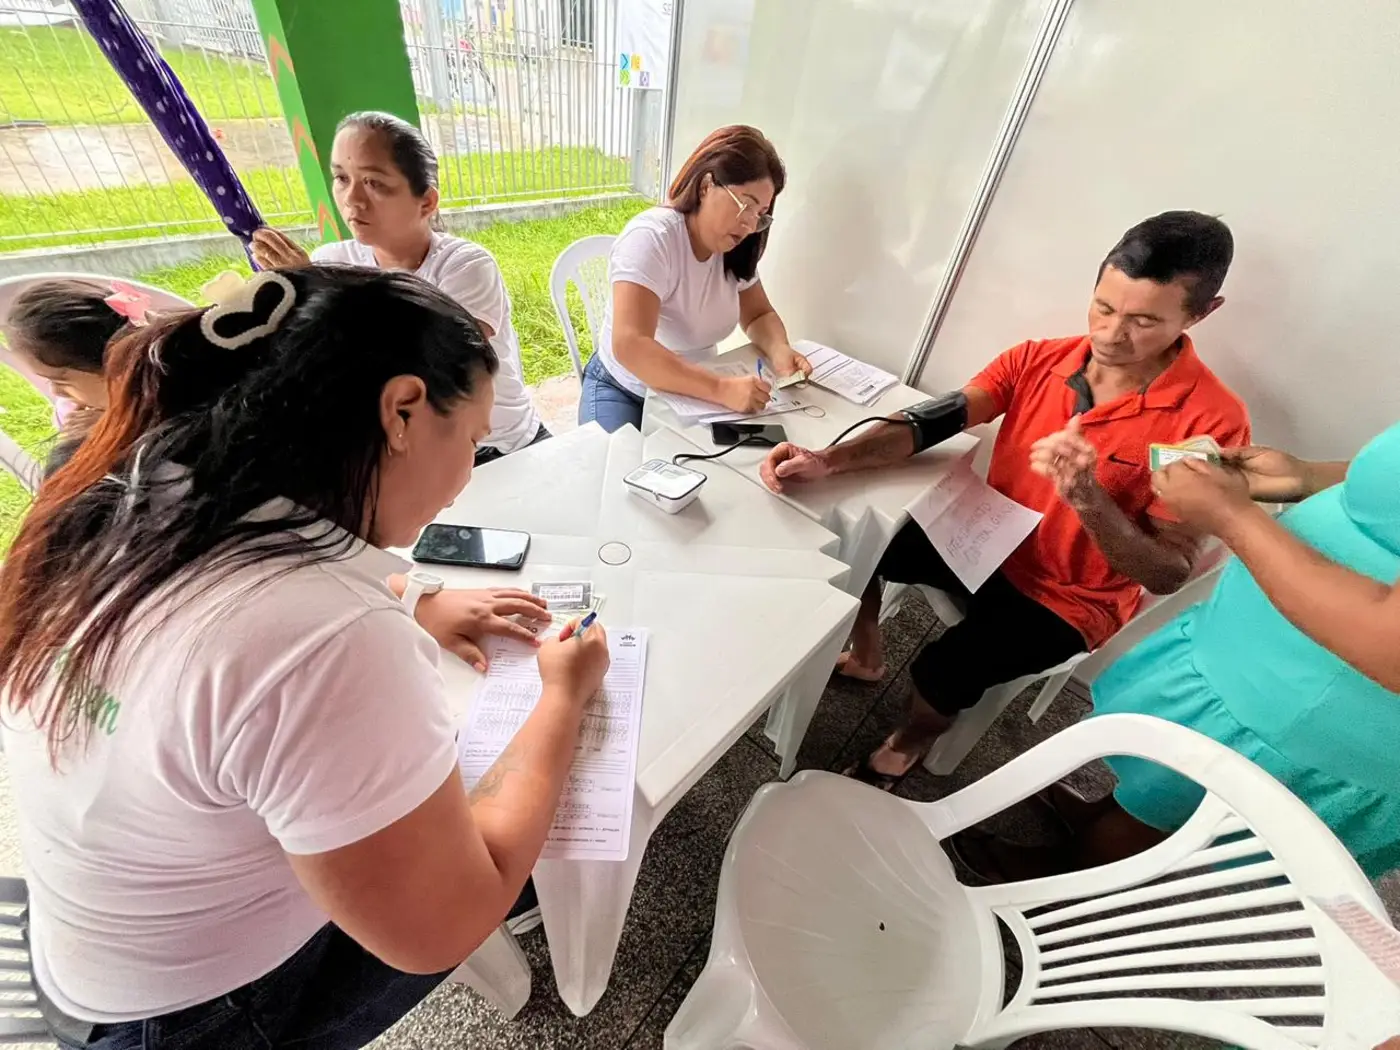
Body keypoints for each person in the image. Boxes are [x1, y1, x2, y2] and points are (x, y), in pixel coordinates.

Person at [0, 265, 609, 1049]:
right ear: (403, 410)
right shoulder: (326, 638)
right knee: (510, 842)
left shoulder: (119, 490)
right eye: (472, 439)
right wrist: (561, 698)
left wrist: (413, 599)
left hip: (92, 946)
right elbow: (441, 928)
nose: (467, 475)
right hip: (197, 1018)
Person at [760, 211, 1251, 789]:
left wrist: (1088, 499)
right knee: (862, 538)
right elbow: (930, 423)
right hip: (989, 538)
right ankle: (868, 653)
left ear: (1200, 314)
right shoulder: (1040, 359)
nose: (1110, 335)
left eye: (1144, 321)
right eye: (1103, 307)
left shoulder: (1208, 424)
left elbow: (1168, 572)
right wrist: (828, 459)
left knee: (946, 669)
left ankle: (906, 745)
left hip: (1070, 598)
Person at [1054, 425, 1400, 881]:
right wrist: (1306, 476)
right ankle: (1097, 823)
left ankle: (1066, 877)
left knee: (1189, 809)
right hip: (1261, 660)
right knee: (1162, 782)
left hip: (1325, 712)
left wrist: (1231, 517)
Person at [250, 110, 547, 464]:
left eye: (374, 183)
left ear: (427, 202)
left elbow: (432, 370)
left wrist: (317, 292)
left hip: (499, 447)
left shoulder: (465, 266)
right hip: (412, 455)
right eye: (342, 178)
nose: (352, 199)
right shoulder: (332, 262)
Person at [579, 124, 810, 433]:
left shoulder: (734, 249)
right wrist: (720, 389)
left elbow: (758, 315)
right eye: (745, 205)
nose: (749, 224)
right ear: (706, 186)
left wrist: (779, 350)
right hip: (625, 389)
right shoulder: (652, 238)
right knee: (619, 461)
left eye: (760, 214)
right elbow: (631, 344)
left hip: (694, 393)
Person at [0, 279, 127, 473]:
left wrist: (117, 431)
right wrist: (79, 443)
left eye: (61, 380)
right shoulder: (71, 410)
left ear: (116, 368)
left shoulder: (162, 395)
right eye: (49, 380)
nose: (56, 391)